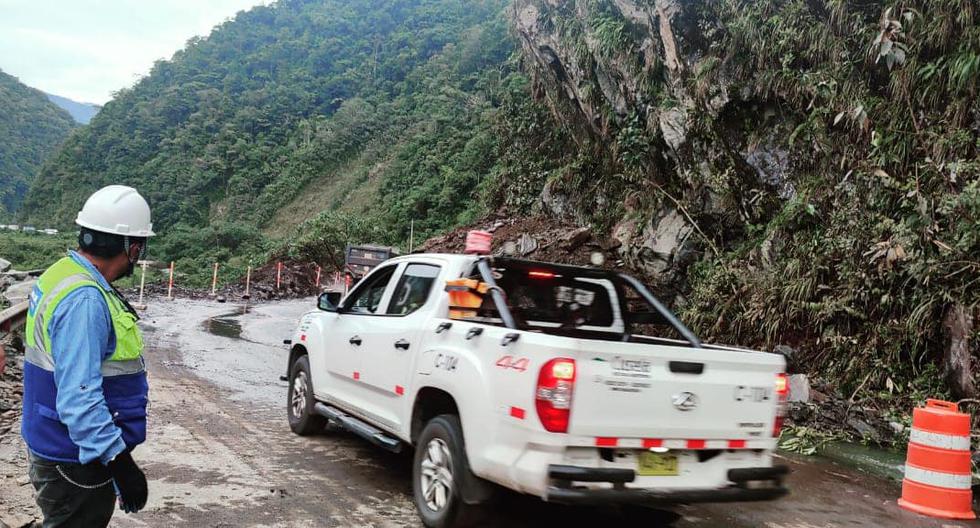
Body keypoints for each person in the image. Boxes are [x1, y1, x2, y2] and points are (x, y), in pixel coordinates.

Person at [22, 185, 155, 527]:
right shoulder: (85, 300)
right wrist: (120, 463)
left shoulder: (62, 273)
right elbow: (79, 398)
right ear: (134, 249)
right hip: (74, 458)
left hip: (54, 443)